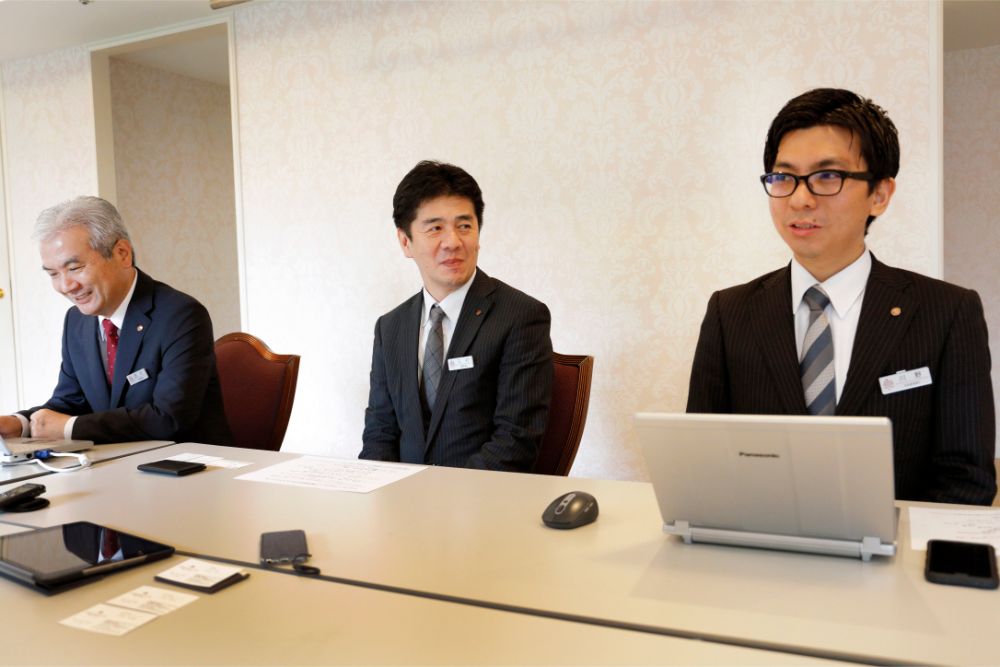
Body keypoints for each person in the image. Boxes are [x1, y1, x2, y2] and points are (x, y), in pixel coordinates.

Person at [686, 88, 996, 505]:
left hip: (896, 542)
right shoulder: (730, 312)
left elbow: (966, 480)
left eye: (827, 176)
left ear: (879, 195)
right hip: (762, 539)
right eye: (784, 177)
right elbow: (702, 462)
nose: (800, 199)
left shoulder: (947, 311)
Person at [361, 161, 552, 471]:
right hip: (401, 496)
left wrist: (443, 495)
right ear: (405, 241)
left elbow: (515, 441)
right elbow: (380, 432)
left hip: (481, 496)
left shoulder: (521, 316)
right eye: (435, 228)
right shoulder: (390, 327)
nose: (453, 242)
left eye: (464, 226)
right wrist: (375, 488)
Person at [0, 196, 232, 445]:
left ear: (122, 253)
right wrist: (20, 424)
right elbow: (71, 402)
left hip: (186, 462)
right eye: (54, 274)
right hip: (116, 461)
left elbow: (168, 418)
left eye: (75, 268)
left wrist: (69, 428)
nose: (66, 286)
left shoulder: (181, 315)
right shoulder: (76, 321)